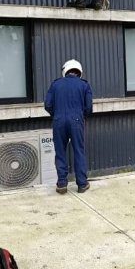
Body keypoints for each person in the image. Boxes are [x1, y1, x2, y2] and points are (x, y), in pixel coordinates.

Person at [44, 59, 93, 194]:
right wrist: (80, 116)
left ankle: (62, 184)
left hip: (58, 120)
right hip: (76, 120)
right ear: (79, 72)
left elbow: (47, 105)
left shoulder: (55, 84)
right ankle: (82, 184)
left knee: (60, 152)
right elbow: (88, 107)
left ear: (65, 70)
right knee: (79, 151)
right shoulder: (84, 85)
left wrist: (57, 115)